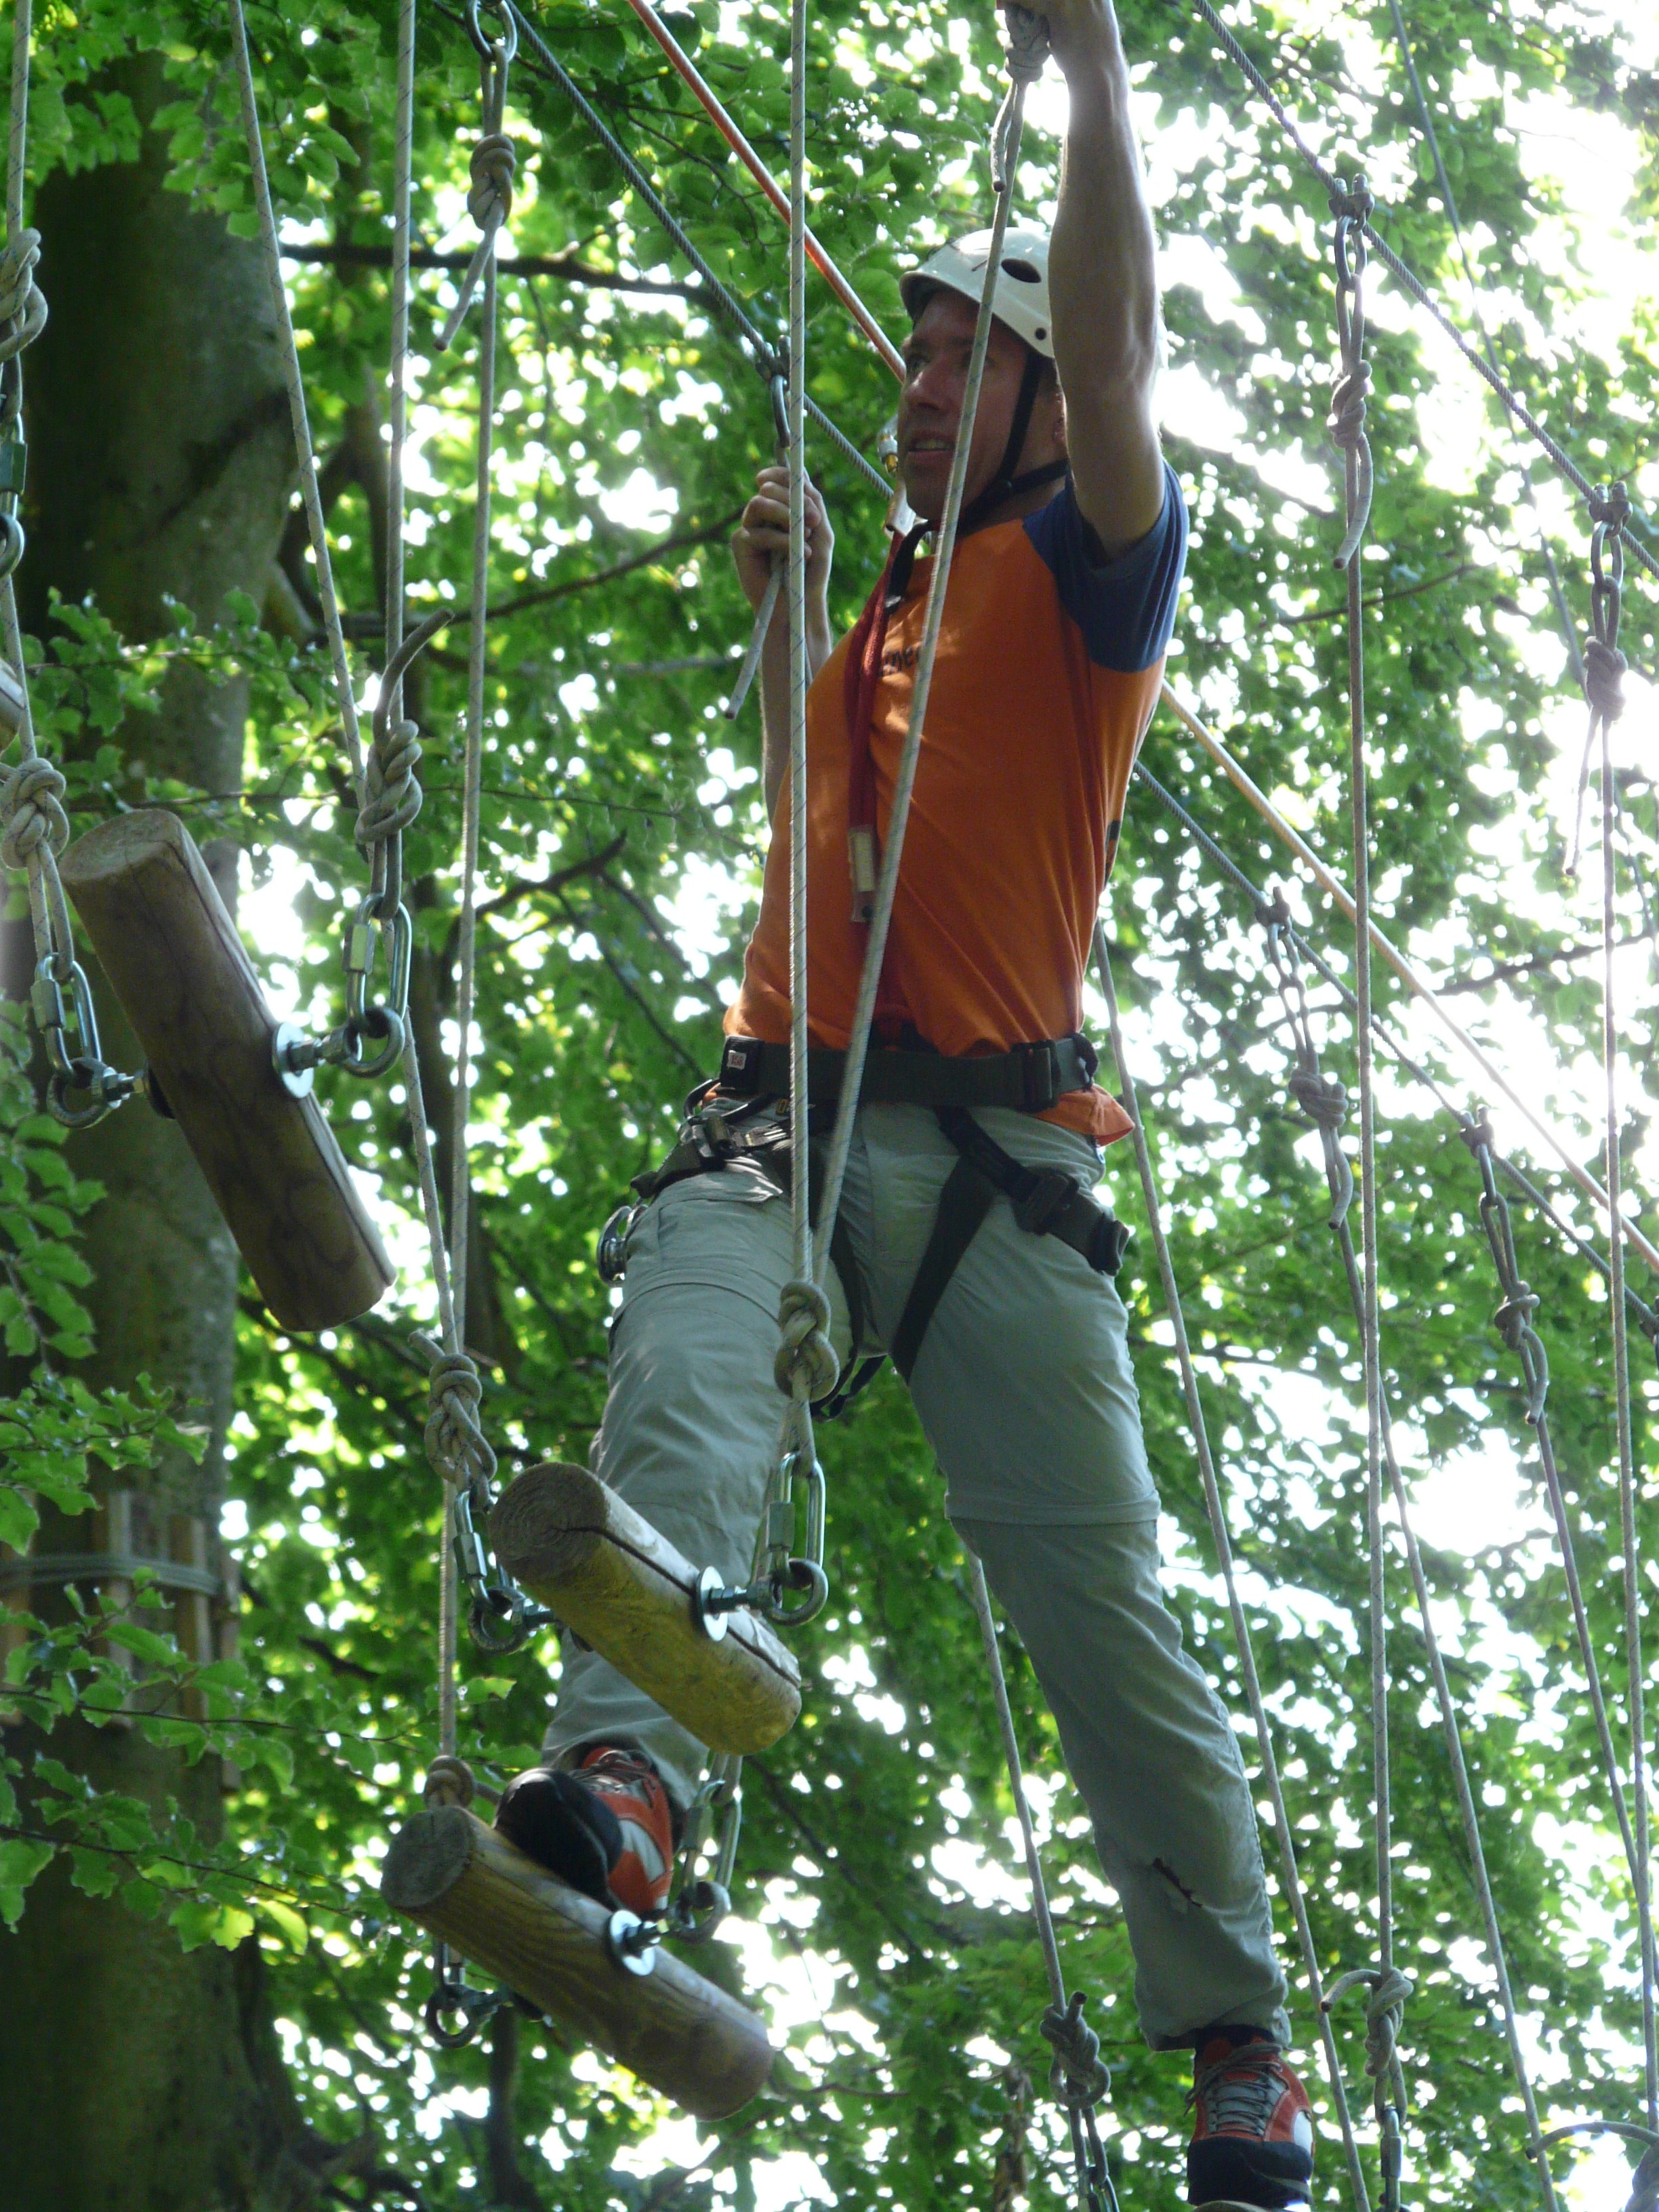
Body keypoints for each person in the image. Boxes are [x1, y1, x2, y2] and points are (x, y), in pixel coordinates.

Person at [494, 0, 1313, 2203]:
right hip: (790, 1122)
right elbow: (818, 853)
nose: (918, 395)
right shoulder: (889, 618)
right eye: (912, 364)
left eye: (963, 366)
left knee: (1091, 1598)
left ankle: (1233, 2028)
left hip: (1003, 1167)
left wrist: (1098, 81)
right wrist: (783, 636)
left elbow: (1122, 356)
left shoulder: (1088, 576)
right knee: (678, 1394)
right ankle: (631, 1789)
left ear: (1045, 407)